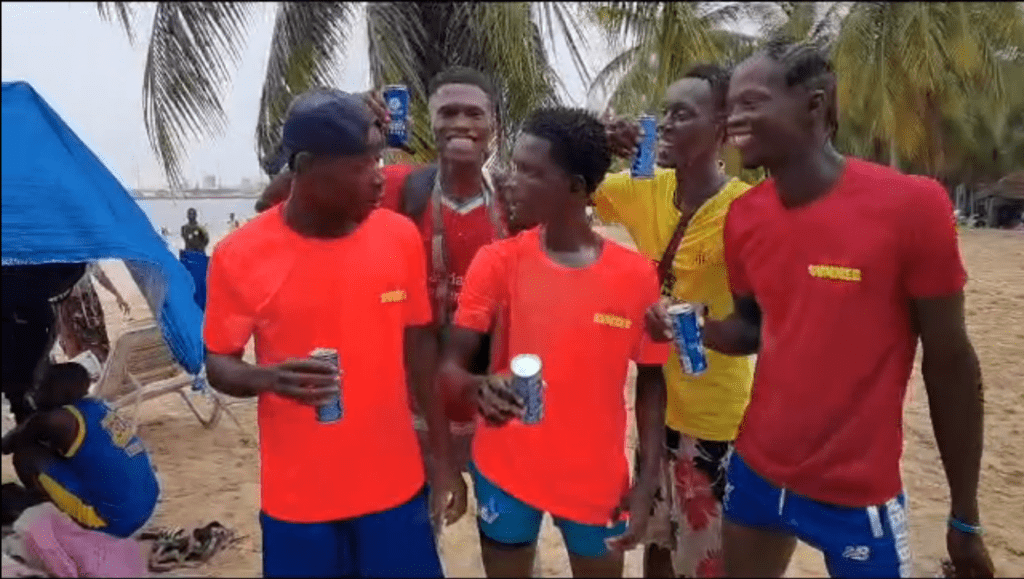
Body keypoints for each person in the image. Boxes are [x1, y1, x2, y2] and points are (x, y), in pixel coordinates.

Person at [649, 38, 994, 578]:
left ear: (814, 104)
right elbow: (753, 329)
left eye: (751, 103)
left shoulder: (912, 206)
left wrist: (965, 516)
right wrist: (695, 325)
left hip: (858, 493)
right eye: (730, 106)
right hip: (757, 477)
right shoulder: (747, 216)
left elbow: (950, 364)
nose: (733, 119)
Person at [202, 88, 462, 578]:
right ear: (305, 167)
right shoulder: (240, 256)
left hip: (394, 486)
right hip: (299, 499)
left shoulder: (398, 237)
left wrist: (443, 458)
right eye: (361, 166)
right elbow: (219, 362)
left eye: (378, 160)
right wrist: (268, 379)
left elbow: (420, 351)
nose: (379, 177)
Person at [439, 107, 669, 578]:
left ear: (577, 187)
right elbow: (450, 367)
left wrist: (648, 480)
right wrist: (477, 388)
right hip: (505, 471)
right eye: (513, 166)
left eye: (530, 172)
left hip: (595, 480)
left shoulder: (635, 276)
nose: (510, 182)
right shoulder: (497, 263)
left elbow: (651, 379)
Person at [598, 64, 755, 578]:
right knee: (658, 546)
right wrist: (602, 141)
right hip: (655, 409)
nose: (665, 124)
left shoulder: (744, 209)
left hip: (714, 418)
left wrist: (699, 319)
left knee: (706, 560)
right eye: (663, 112)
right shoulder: (644, 188)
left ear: (721, 128)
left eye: (682, 115)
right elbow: (569, 185)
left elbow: (762, 318)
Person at [1, 362, 160, 538]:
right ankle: (51, 499)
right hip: (143, 504)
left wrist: (28, 420)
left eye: (41, 387)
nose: (34, 393)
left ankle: (50, 517)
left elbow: (9, 443)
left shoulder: (57, 421)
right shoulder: (96, 406)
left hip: (112, 521)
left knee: (26, 456)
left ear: (60, 393)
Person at [53, 262, 130, 365]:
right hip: (68, 305)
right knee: (75, 348)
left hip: (87, 303)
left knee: (99, 345)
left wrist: (117, 295)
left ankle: (103, 369)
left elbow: (99, 274)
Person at [179, 208, 210, 310]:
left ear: (196, 215)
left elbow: (206, 240)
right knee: (189, 282)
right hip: (189, 256)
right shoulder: (184, 228)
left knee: (201, 282)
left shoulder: (201, 228)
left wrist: (199, 249)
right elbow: (185, 239)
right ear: (187, 216)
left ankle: (202, 303)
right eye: (190, 214)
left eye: (193, 214)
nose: (191, 216)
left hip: (199, 256)